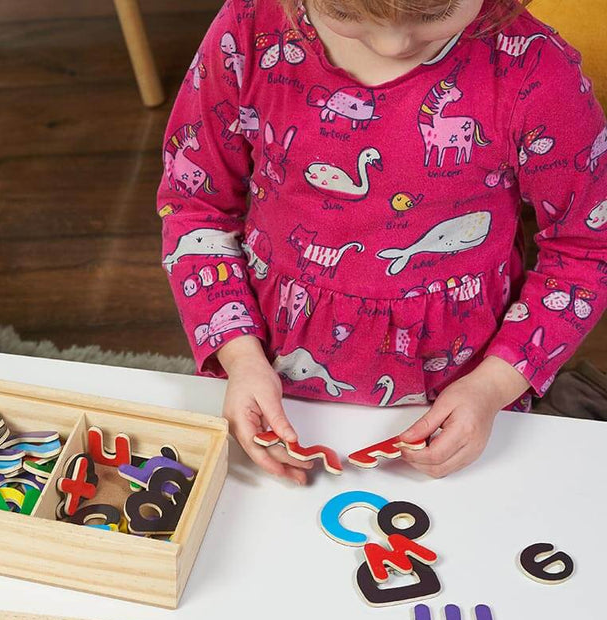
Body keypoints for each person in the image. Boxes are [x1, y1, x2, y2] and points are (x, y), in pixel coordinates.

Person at [157, 0, 606, 481]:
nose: (392, 44)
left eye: (435, 13)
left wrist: (492, 386)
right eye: (345, 13)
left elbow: (586, 251)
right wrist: (240, 356)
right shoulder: (247, 30)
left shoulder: (536, 69)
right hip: (267, 375)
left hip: (466, 398)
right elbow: (194, 206)